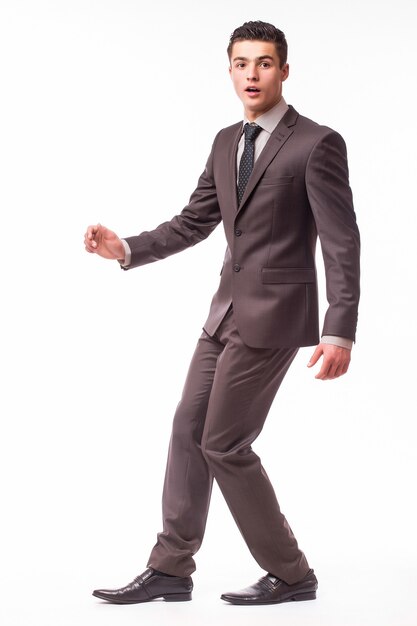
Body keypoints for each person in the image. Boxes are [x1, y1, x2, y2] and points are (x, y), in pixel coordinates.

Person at [84, 20, 360, 606]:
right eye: (241, 63)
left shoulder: (317, 143)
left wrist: (340, 329)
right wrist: (126, 248)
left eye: (264, 63)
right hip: (223, 314)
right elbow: (193, 222)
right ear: (229, 70)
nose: (252, 74)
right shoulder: (223, 142)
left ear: (284, 71)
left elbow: (342, 242)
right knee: (188, 428)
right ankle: (170, 569)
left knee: (225, 443)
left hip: (277, 317)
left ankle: (291, 573)